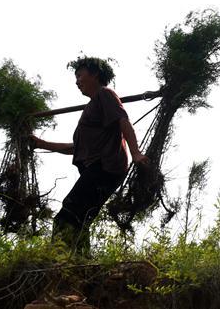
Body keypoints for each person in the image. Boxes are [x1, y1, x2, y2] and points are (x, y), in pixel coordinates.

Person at [31, 56, 148, 254]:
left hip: (105, 167)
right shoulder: (93, 107)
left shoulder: (105, 94)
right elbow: (75, 148)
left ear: (94, 74)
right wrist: (42, 144)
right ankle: (80, 262)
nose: (76, 81)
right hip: (99, 169)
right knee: (81, 218)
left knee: (67, 214)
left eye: (80, 75)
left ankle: (57, 261)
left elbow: (123, 121)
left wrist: (136, 153)